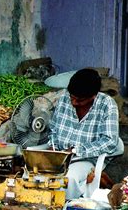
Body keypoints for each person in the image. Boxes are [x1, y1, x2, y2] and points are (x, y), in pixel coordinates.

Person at [49, 68, 122, 200]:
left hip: (85, 158)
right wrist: (52, 148)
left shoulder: (106, 104)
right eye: (72, 97)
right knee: (32, 176)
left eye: (79, 100)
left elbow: (110, 141)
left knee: (69, 179)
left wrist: (76, 150)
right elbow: (53, 130)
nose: (73, 102)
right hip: (59, 156)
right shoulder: (64, 98)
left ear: (93, 96)